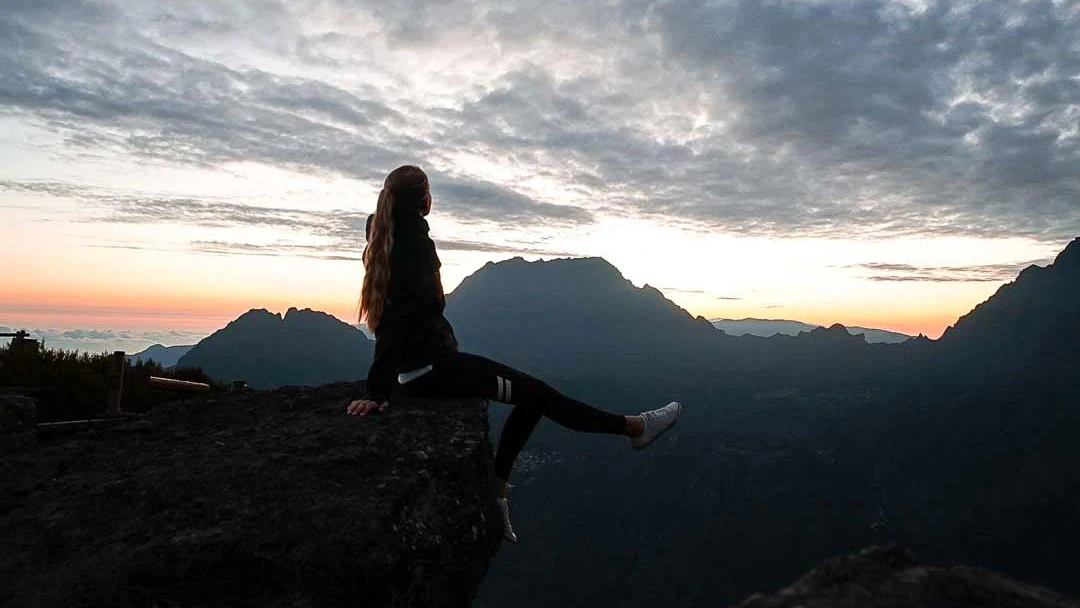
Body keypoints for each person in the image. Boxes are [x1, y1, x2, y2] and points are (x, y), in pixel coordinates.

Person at [346, 165, 681, 543]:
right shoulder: (413, 243)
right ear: (423, 198)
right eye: (429, 190)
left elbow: (391, 316)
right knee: (539, 396)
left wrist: (384, 385)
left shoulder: (384, 235)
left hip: (422, 368)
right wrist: (377, 391)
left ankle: (501, 489)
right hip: (434, 370)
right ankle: (634, 427)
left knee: (533, 397)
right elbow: (397, 318)